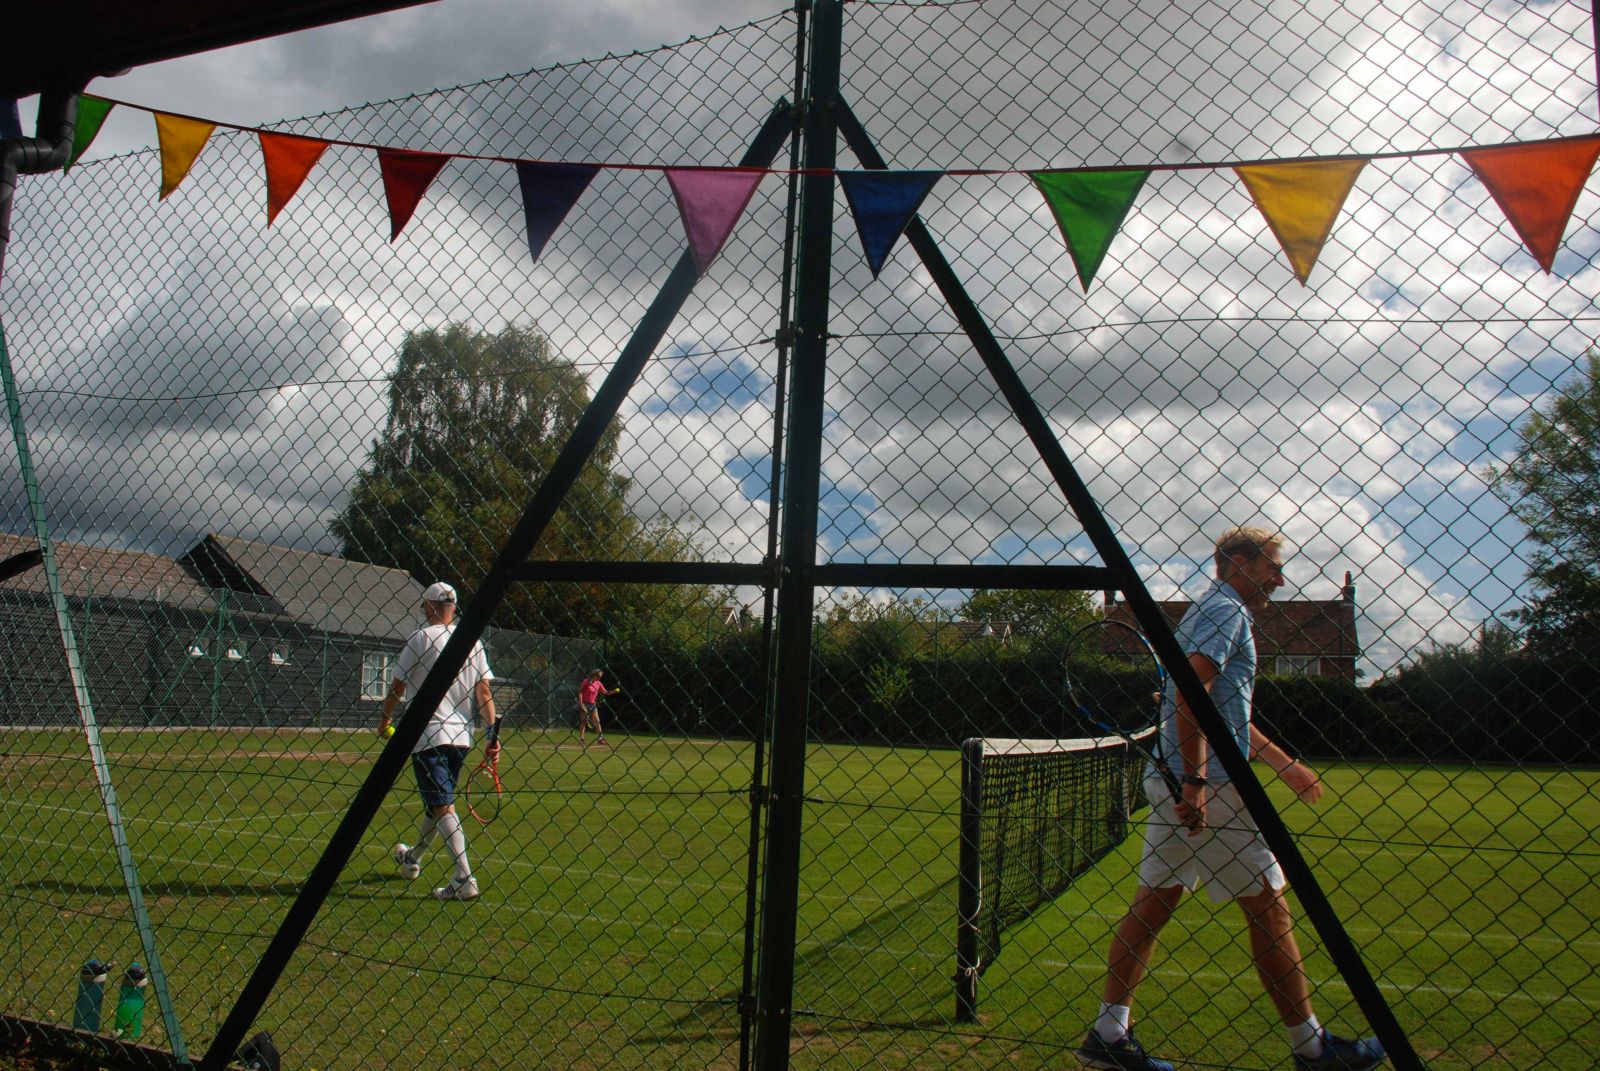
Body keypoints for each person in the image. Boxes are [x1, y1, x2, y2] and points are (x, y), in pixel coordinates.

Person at [1077, 527, 1385, 1071]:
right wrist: (1195, 782)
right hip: (1211, 789)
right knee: (1268, 906)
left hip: (1194, 780)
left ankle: (1108, 1035)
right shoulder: (1225, 612)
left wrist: (1282, 764)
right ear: (1238, 562)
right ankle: (1313, 1050)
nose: (1280, 577)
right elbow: (1190, 691)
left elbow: (1218, 707)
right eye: (1273, 565)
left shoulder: (1213, 611)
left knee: (1154, 903)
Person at [380, 581, 497, 902]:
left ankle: (464, 876)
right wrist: (492, 734)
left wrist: (385, 718)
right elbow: (484, 691)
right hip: (462, 737)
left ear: (431, 607)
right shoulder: (472, 641)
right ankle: (413, 857)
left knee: (442, 802)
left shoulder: (420, 638)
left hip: (428, 733)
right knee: (437, 802)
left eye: (423, 607)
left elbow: (397, 686)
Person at [576, 668, 619, 746]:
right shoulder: (586, 681)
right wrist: (581, 703)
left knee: (597, 721)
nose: (599, 677)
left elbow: (605, 692)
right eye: (598, 676)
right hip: (584, 703)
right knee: (583, 721)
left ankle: (600, 739)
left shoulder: (598, 683)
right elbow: (580, 692)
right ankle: (581, 739)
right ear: (594, 675)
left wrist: (614, 691)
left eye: (600, 676)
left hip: (593, 705)